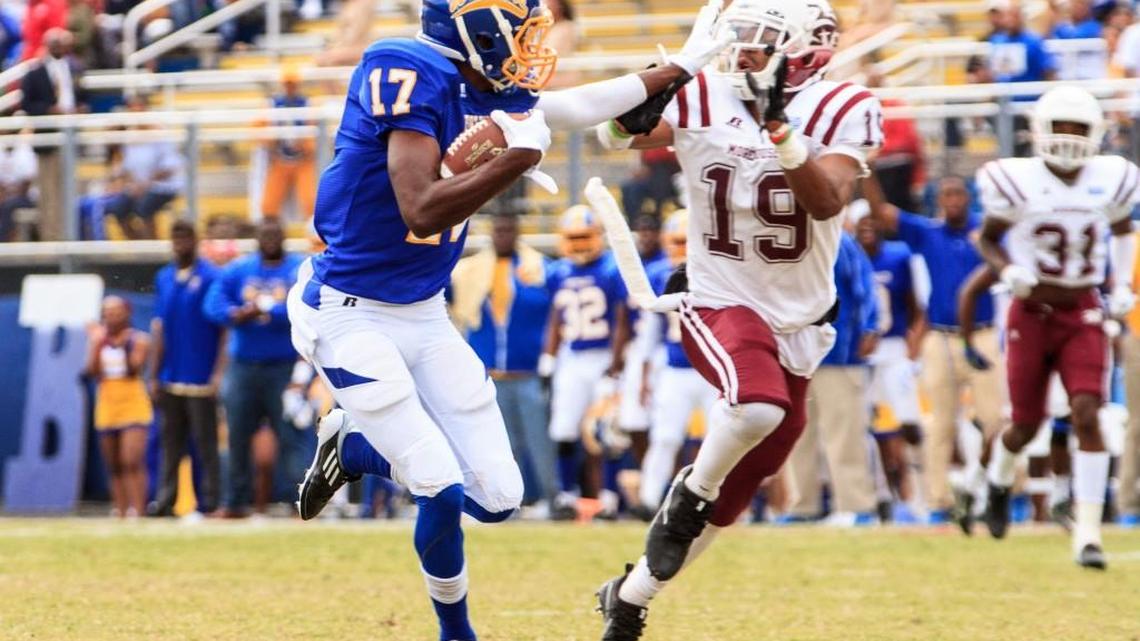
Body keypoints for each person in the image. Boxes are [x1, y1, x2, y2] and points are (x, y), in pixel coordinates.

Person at [285, 0, 731, 637]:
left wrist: (675, 69)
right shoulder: (401, 68)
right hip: (346, 310)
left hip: (422, 311)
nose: (527, 48)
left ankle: (355, 446)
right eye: (518, 33)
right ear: (472, 28)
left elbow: (573, 108)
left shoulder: (486, 85)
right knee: (437, 482)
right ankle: (456, 631)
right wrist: (516, 161)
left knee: (498, 498)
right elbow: (420, 209)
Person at [592, 0, 881, 636]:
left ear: (806, 51)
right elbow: (608, 132)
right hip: (717, 293)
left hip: (800, 319)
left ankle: (632, 595)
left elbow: (827, 201)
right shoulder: (704, 93)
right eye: (741, 36)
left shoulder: (842, 105)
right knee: (755, 410)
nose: (743, 50)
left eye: (762, 39)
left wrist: (779, 131)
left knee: (744, 483)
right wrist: (661, 76)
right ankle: (688, 493)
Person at [975, 86, 1139, 570]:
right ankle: (999, 483)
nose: (1068, 138)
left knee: (1087, 411)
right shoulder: (1014, 180)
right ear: (1040, 131)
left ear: (1097, 135)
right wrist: (1008, 272)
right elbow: (987, 239)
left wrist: (1123, 283)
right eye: (1060, 127)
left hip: (1082, 308)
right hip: (1030, 311)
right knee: (1025, 426)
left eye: (1078, 128)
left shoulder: (1113, 178)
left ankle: (1087, 533)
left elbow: (1124, 227)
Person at [863, 168, 1006, 528]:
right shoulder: (928, 233)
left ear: (968, 198)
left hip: (984, 333)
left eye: (959, 195)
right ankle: (939, 499)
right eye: (947, 196)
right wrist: (865, 168)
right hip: (941, 336)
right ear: (939, 201)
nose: (954, 201)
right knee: (940, 423)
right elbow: (882, 212)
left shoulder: (984, 233)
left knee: (995, 420)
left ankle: (999, 492)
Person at [450, 212, 556, 509]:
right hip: (490, 373)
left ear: (517, 233)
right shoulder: (470, 272)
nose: (503, 235)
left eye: (509, 229)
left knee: (539, 441)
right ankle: (504, 501)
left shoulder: (537, 269)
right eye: (499, 230)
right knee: (500, 445)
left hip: (528, 370)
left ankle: (552, 497)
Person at [203, 219, 304, 518]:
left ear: (284, 237)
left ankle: (299, 501)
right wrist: (235, 314)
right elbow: (212, 303)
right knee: (237, 434)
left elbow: (308, 304)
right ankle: (235, 501)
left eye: (275, 234)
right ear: (256, 239)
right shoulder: (239, 269)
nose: (270, 240)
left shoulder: (298, 268)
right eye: (265, 235)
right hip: (244, 366)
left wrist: (268, 311)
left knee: (290, 435)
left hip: (283, 366)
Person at [784, 230, 880, 525]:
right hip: (795, 353)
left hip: (839, 352)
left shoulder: (839, 239)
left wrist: (870, 326)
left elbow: (865, 284)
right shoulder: (784, 237)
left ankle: (856, 506)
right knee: (796, 435)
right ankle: (803, 506)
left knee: (844, 433)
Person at [541, 206, 629, 521]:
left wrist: (615, 367)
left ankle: (609, 500)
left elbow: (622, 321)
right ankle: (567, 497)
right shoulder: (558, 271)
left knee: (606, 432)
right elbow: (556, 317)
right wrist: (548, 357)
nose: (578, 244)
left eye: (584, 237)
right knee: (564, 428)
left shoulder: (610, 268)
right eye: (573, 237)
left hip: (603, 355)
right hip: (572, 356)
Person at [636, 209, 717, 517]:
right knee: (665, 437)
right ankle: (647, 499)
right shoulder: (659, 273)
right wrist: (645, 375)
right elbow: (650, 331)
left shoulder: (715, 272)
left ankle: (717, 503)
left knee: (718, 440)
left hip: (710, 369)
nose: (683, 249)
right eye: (677, 241)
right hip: (674, 368)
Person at [149, 220, 225, 517]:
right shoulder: (164, 277)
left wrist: (218, 373)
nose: (180, 243)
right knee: (169, 443)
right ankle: (165, 501)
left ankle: (210, 501)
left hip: (201, 375)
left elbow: (223, 331)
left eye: (186, 237)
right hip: (171, 374)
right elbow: (159, 328)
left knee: (205, 444)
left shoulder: (211, 276)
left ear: (196, 240)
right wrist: (153, 374)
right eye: (176, 237)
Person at [855, 205, 924, 520]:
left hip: (894, 347)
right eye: (861, 223)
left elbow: (916, 306)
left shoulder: (899, 256)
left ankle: (919, 495)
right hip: (861, 355)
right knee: (866, 428)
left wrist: (914, 342)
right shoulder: (848, 258)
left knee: (909, 422)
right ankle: (882, 495)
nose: (867, 227)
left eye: (872, 222)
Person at [85, 296, 153, 519]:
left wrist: (120, 344)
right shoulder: (99, 340)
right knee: (113, 463)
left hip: (132, 403)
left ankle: (138, 510)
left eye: (116, 312)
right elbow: (92, 372)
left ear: (127, 313)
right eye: (107, 312)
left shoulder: (139, 339)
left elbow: (134, 368)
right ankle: (121, 510)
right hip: (107, 403)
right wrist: (97, 343)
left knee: (131, 460)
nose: (112, 316)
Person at [20, 28, 84, 241]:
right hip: (48, 138)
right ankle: (51, 237)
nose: (58, 47)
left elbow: (83, 97)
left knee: (70, 189)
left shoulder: (75, 69)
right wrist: (49, 109)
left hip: (71, 136)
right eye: (54, 42)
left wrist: (81, 109)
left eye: (62, 42)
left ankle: (69, 235)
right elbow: (27, 104)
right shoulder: (35, 73)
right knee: (48, 192)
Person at [105, 97, 186, 240]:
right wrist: (129, 184)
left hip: (162, 187)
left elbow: (169, 168)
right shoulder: (128, 138)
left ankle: (153, 246)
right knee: (117, 209)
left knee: (144, 208)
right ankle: (138, 245)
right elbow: (125, 168)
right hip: (136, 187)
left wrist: (145, 185)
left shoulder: (162, 134)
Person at [260, 67, 317, 221]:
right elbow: (260, 129)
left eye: (292, 84)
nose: (290, 88)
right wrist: (271, 144)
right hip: (279, 158)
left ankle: (314, 232)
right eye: (287, 84)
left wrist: (307, 146)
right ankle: (269, 228)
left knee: (310, 200)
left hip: (303, 159)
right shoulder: (272, 104)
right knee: (269, 202)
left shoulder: (308, 103)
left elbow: (316, 129)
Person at [0, 132, 37, 242]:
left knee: (8, 205)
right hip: (5, 196)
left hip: (25, 198)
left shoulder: (25, 151)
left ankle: (2, 242)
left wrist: (8, 193)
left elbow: (26, 183)